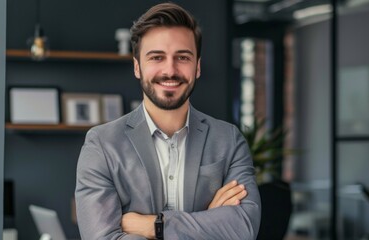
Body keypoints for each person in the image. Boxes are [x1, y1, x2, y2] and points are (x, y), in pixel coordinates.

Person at [75, 3, 261, 240]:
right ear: (137, 67)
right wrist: (207, 221)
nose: (170, 70)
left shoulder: (229, 140)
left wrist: (154, 226)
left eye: (182, 57)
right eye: (156, 57)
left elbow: (243, 227)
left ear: (198, 67)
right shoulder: (101, 144)